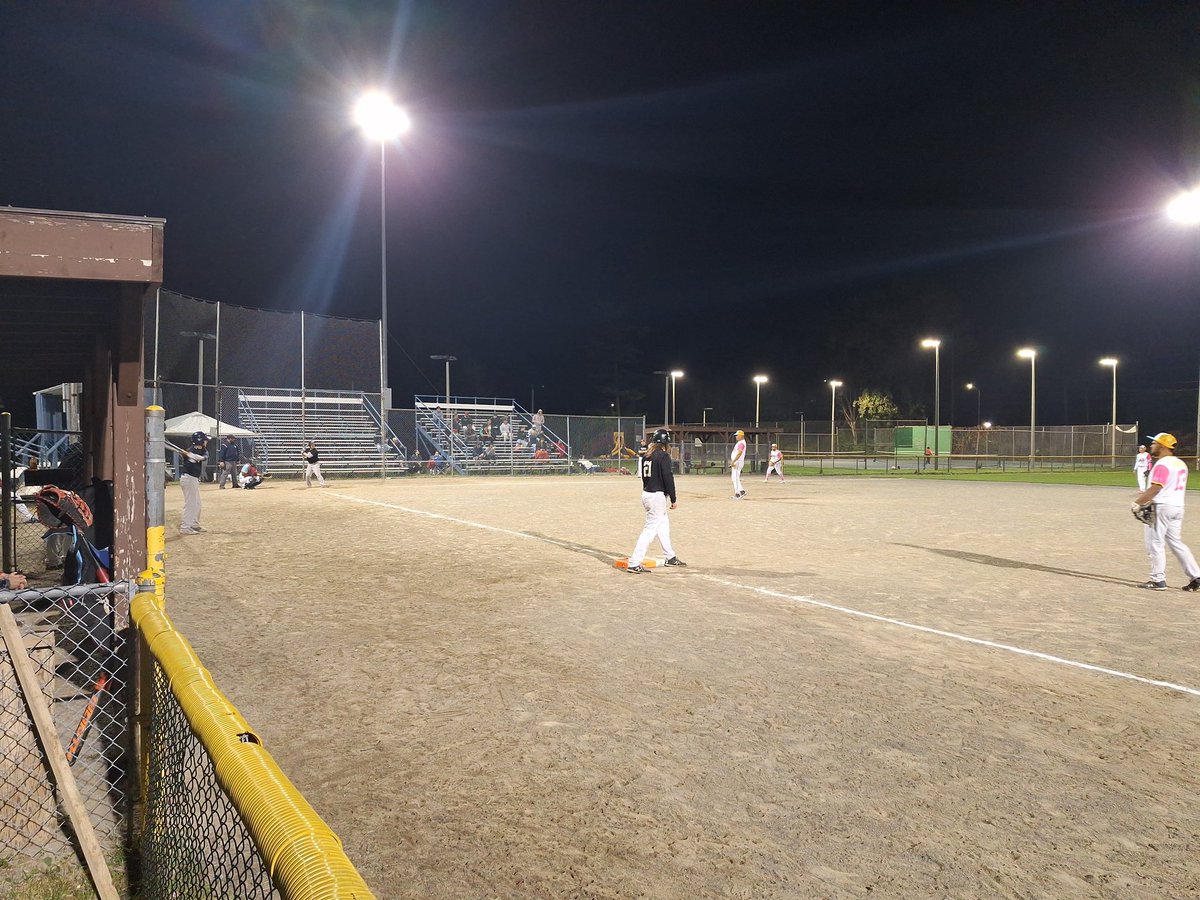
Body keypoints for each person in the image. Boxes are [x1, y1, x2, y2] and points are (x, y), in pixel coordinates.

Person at [1132, 432, 1200, 591]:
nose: (1152, 446)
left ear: (1163, 446)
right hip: (1177, 507)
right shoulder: (1180, 463)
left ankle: (1158, 580)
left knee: (1155, 542)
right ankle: (1196, 576)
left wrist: (1137, 503)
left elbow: (1156, 488)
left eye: (1154, 443)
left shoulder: (1163, 464)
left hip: (1162, 507)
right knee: (1176, 543)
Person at [626, 428, 686, 573]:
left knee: (663, 526)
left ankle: (670, 556)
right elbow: (668, 477)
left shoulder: (647, 456)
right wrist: (673, 499)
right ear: (666, 443)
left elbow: (645, 478)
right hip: (656, 496)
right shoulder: (663, 456)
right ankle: (634, 562)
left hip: (647, 493)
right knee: (650, 530)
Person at [179, 431, 208, 535]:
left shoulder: (203, 450)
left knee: (197, 503)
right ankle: (185, 527)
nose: (206, 442)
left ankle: (194, 524)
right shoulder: (189, 451)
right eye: (205, 440)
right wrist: (189, 455)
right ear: (200, 441)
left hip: (194, 479)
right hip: (188, 479)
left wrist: (192, 456)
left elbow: (203, 457)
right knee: (190, 504)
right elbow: (192, 460)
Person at [730, 430, 747, 499]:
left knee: (735, 478)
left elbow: (739, 453)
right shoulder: (740, 442)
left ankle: (738, 494)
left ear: (741, 436)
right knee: (734, 478)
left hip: (738, 461)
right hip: (737, 461)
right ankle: (742, 491)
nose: (736, 437)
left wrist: (733, 461)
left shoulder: (741, 443)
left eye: (737, 435)